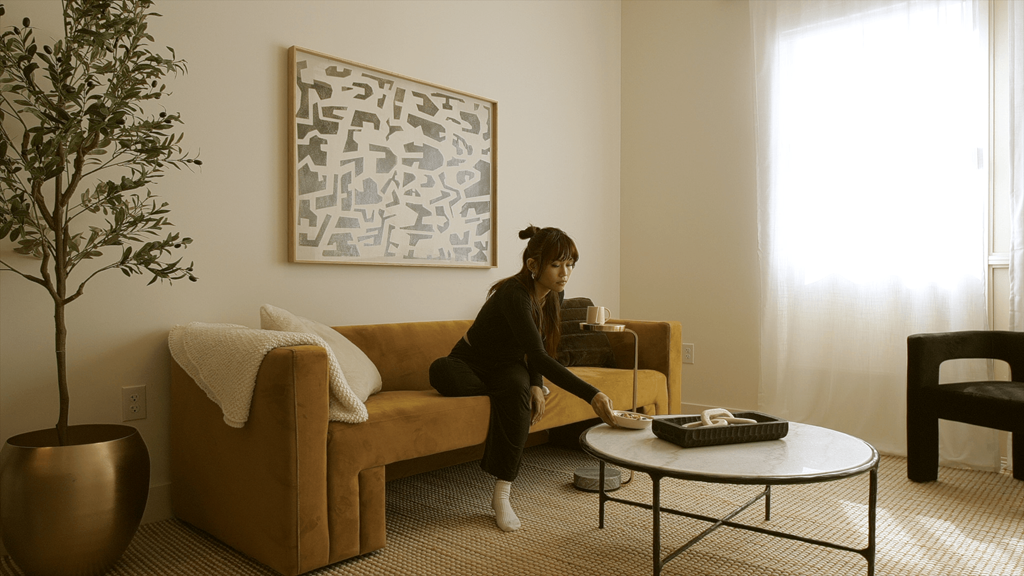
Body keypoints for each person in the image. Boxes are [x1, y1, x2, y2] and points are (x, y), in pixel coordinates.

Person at [428, 225, 617, 532]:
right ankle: (510, 390)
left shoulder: (555, 294)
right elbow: (538, 356)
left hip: (509, 365)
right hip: (470, 361)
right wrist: (591, 394)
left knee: (516, 391)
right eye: (556, 264)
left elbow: (539, 349)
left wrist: (532, 382)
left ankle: (501, 494)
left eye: (569, 264)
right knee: (440, 371)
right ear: (533, 266)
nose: (565, 272)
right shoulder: (513, 294)